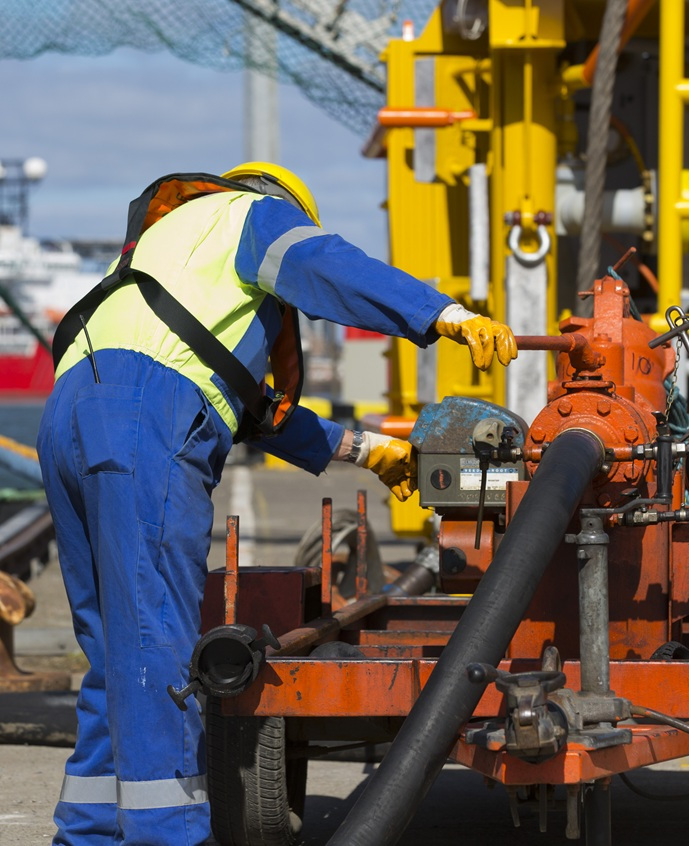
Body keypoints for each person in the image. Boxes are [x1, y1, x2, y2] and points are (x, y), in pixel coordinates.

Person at [35, 162, 517, 846]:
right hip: (144, 415)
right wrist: (443, 313)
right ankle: (165, 835)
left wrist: (371, 452)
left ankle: (86, 832)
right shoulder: (251, 217)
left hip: (71, 413)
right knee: (155, 643)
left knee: (114, 647)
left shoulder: (164, 255)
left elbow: (254, 406)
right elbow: (323, 264)